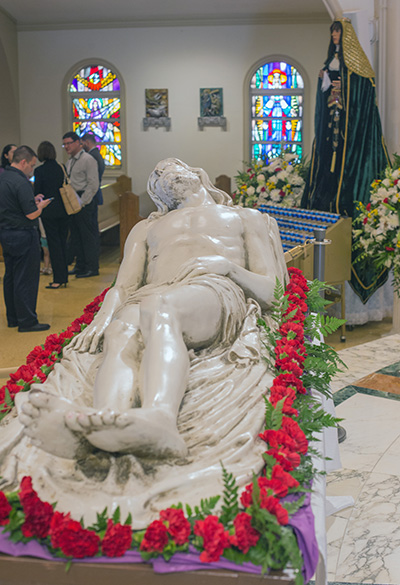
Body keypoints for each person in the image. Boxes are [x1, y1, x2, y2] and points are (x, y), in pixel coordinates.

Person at [19, 158, 287, 460]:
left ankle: (161, 418)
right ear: (157, 194)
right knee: (121, 330)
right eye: (156, 173)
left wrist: (227, 267)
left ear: (198, 172)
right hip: (151, 293)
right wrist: (102, 319)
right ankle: (104, 424)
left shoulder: (244, 217)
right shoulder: (148, 227)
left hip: (214, 289)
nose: (162, 171)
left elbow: (273, 292)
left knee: (161, 308)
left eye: (171, 165)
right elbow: (124, 286)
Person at [301, 18, 391, 302]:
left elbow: (362, 97)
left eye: (339, 31)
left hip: (350, 139)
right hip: (332, 131)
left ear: (347, 34)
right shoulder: (330, 61)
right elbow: (326, 94)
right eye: (333, 31)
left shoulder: (360, 67)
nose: (336, 35)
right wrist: (325, 85)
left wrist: (345, 88)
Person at [0, 145, 52, 332]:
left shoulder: (4, 176)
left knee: (11, 276)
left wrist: (32, 200)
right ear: (23, 162)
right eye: (31, 165)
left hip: (6, 233)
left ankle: (13, 317)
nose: (32, 170)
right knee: (26, 278)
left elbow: (14, 204)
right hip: (23, 234)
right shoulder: (21, 181)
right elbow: (31, 214)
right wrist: (41, 205)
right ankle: (27, 321)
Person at [62, 132, 99, 278]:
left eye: (69, 143)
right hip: (73, 201)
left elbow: (93, 184)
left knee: (88, 236)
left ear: (79, 143)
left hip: (85, 202)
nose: (66, 147)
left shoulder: (88, 160)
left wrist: (82, 202)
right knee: (76, 236)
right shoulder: (70, 161)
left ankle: (92, 267)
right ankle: (80, 265)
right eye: (64, 144)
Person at [34, 141, 69, 289]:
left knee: (53, 245)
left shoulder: (39, 171)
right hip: (64, 210)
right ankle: (64, 277)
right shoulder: (61, 167)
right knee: (63, 243)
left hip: (49, 211)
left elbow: (38, 193)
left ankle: (58, 279)